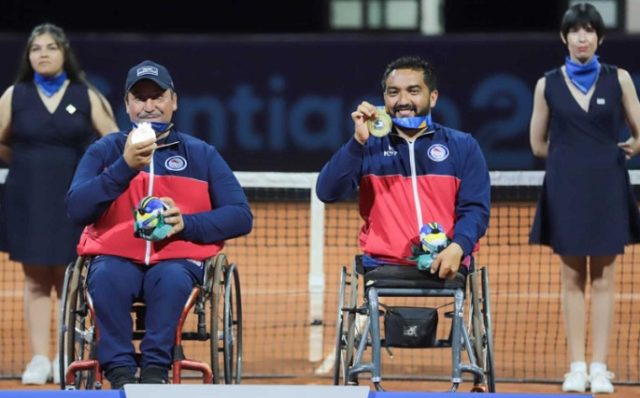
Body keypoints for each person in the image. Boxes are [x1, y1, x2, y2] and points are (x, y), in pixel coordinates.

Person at [65, 59, 253, 389]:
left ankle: (155, 370)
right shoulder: (105, 151)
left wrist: (187, 224)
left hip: (176, 258)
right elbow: (76, 208)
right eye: (140, 98)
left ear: (174, 101)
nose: (149, 106)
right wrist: (123, 167)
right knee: (107, 276)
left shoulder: (201, 154)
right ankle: (119, 371)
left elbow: (240, 215)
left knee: (170, 280)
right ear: (126, 104)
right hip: (115, 255)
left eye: (158, 97)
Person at [529, 3, 640, 394]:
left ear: (600, 38)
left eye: (590, 31)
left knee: (605, 279)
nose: (582, 37)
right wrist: (574, 158)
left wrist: (630, 145)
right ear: (564, 37)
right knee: (573, 277)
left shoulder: (619, 79)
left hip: (608, 188)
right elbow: (537, 144)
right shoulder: (548, 84)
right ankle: (576, 367)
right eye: (575, 31)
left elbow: (639, 130)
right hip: (566, 189)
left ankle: (600, 367)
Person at [0, 23, 118, 385]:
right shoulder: (14, 96)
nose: (44, 54)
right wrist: (27, 163)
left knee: (72, 279)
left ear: (64, 53)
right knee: (35, 279)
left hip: (74, 198)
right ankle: (39, 358)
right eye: (36, 49)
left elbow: (114, 142)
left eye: (51, 47)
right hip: (28, 196)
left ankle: (69, 353)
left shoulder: (86, 95)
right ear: (29, 56)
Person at [316, 55, 490, 280]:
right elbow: (326, 192)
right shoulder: (368, 144)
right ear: (384, 98)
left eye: (414, 91)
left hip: (446, 259)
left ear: (433, 97)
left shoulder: (463, 145)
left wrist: (458, 247)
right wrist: (357, 142)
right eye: (393, 92)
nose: (403, 100)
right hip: (383, 262)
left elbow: (475, 209)